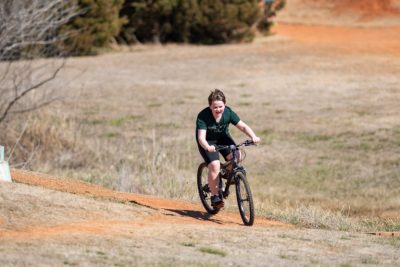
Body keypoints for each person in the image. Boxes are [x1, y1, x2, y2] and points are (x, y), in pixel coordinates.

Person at [196, 89, 261, 208]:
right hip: (208, 142)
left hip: (223, 138)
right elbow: (201, 138)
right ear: (210, 106)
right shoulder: (203, 116)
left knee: (237, 155)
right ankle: (215, 196)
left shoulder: (228, 112)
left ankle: (227, 173)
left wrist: (253, 136)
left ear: (224, 105)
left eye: (220, 106)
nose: (218, 110)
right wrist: (207, 147)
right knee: (214, 165)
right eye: (215, 107)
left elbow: (243, 126)